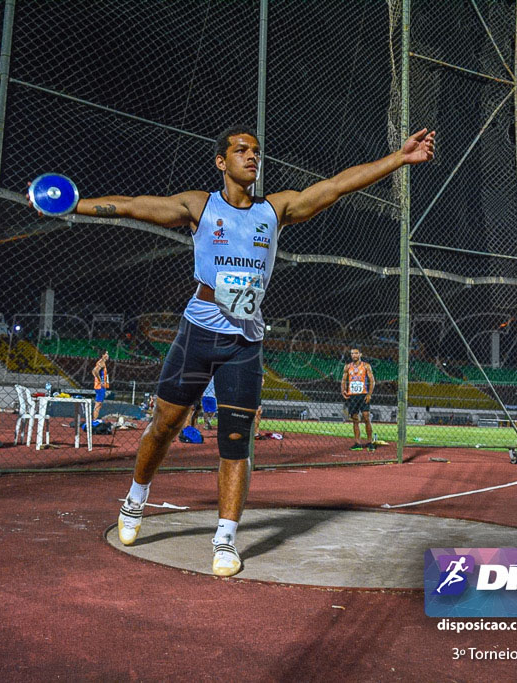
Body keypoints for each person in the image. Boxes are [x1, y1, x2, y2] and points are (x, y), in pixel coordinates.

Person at [34, 125, 435, 577]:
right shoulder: (199, 206)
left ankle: (225, 538)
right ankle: (135, 497)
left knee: (236, 444)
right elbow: (131, 207)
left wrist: (398, 160)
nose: (252, 157)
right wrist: (72, 204)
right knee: (164, 425)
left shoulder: (274, 209)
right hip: (198, 332)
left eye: (256, 151)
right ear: (221, 162)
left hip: (245, 342)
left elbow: (337, 185)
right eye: (241, 150)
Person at [340, 348, 376, 451]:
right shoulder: (347, 367)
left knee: (366, 417)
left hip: (363, 394)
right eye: (352, 353)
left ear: (360, 354)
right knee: (355, 419)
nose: (354, 355)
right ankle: (357, 443)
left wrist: (369, 394)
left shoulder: (366, 366)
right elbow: (343, 380)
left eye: (356, 353)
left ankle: (369, 442)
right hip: (352, 396)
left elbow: (372, 380)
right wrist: (343, 390)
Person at [90, 351, 110, 426]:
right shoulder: (101, 362)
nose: (108, 355)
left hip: (101, 386)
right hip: (100, 386)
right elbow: (95, 371)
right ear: (102, 355)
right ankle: (94, 420)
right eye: (106, 353)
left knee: (99, 404)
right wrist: (100, 381)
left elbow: (94, 372)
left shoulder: (102, 363)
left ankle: (95, 419)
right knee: (98, 404)